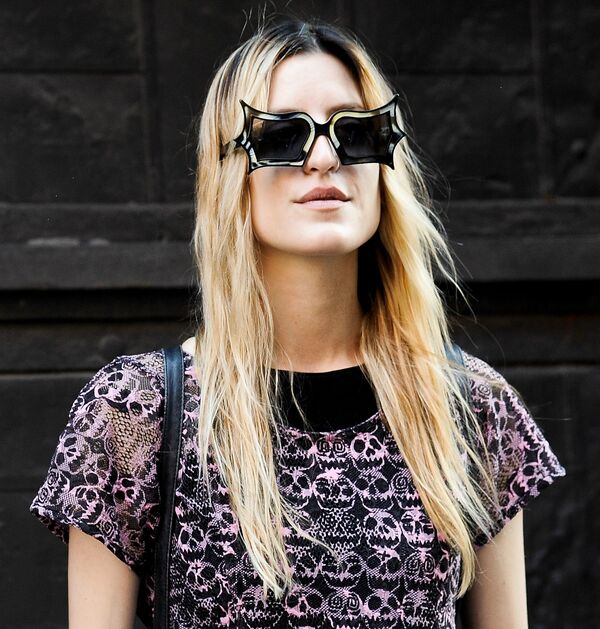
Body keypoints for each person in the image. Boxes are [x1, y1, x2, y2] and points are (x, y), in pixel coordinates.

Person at [29, 16, 566, 629]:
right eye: (283, 135)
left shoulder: (469, 407)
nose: (325, 157)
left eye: (355, 131)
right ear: (228, 169)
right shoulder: (136, 412)